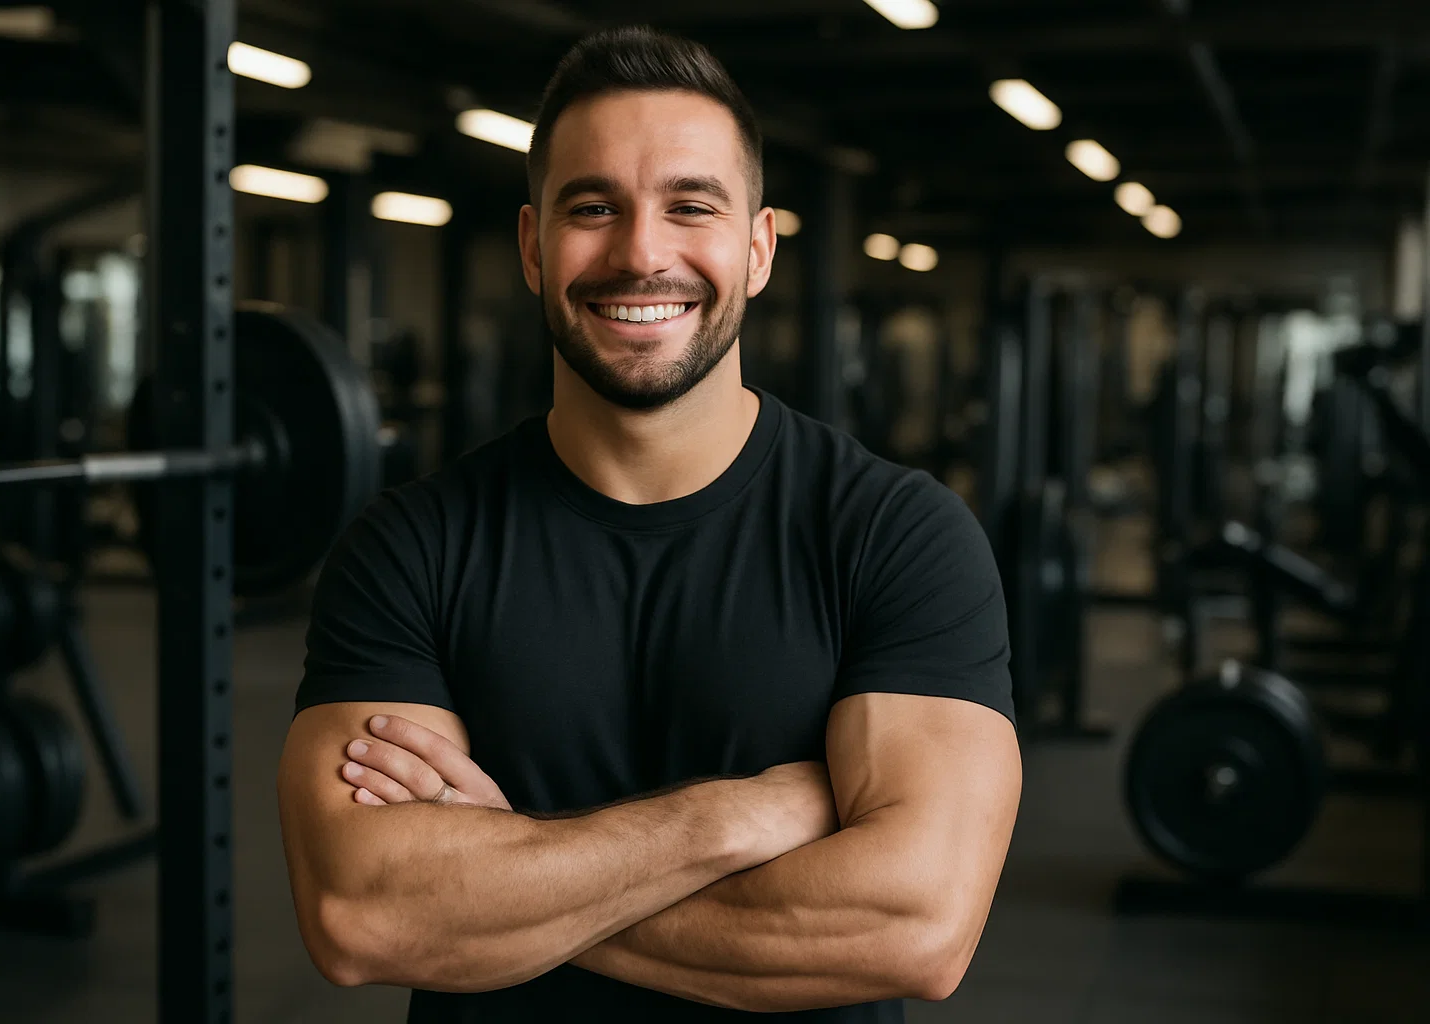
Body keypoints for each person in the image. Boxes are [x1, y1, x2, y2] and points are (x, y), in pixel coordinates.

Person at [278, 25, 1020, 1022]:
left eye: (690, 205)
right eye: (593, 208)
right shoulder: (409, 547)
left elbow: (916, 927)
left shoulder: (897, 536)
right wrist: (731, 817)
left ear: (756, 249)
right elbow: (362, 912)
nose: (640, 252)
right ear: (535, 246)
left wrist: (507, 880)